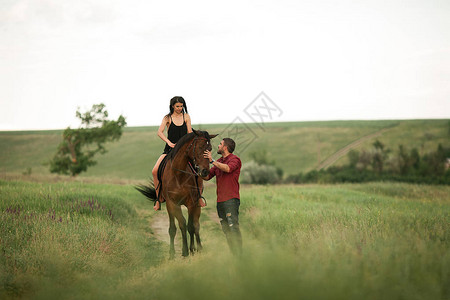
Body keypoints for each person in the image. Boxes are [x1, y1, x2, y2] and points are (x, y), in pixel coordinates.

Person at [152, 96, 193, 211]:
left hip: (184, 150)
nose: (180, 108)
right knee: (155, 171)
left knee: (197, 168)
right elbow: (159, 132)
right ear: (172, 106)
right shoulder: (167, 118)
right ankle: (159, 199)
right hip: (170, 150)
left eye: (181, 106)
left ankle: (198, 196)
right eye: (177, 106)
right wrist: (169, 142)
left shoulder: (186, 117)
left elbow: (189, 132)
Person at [203, 138, 242, 255]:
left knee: (233, 227)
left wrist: (212, 161)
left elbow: (228, 169)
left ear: (225, 147)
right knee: (226, 230)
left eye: (220, 144)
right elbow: (207, 176)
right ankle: (234, 254)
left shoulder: (235, 160)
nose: (218, 146)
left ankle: (239, 256)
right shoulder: (219, 161)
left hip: (231, 200)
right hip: (220, 201)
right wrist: (198, 169)